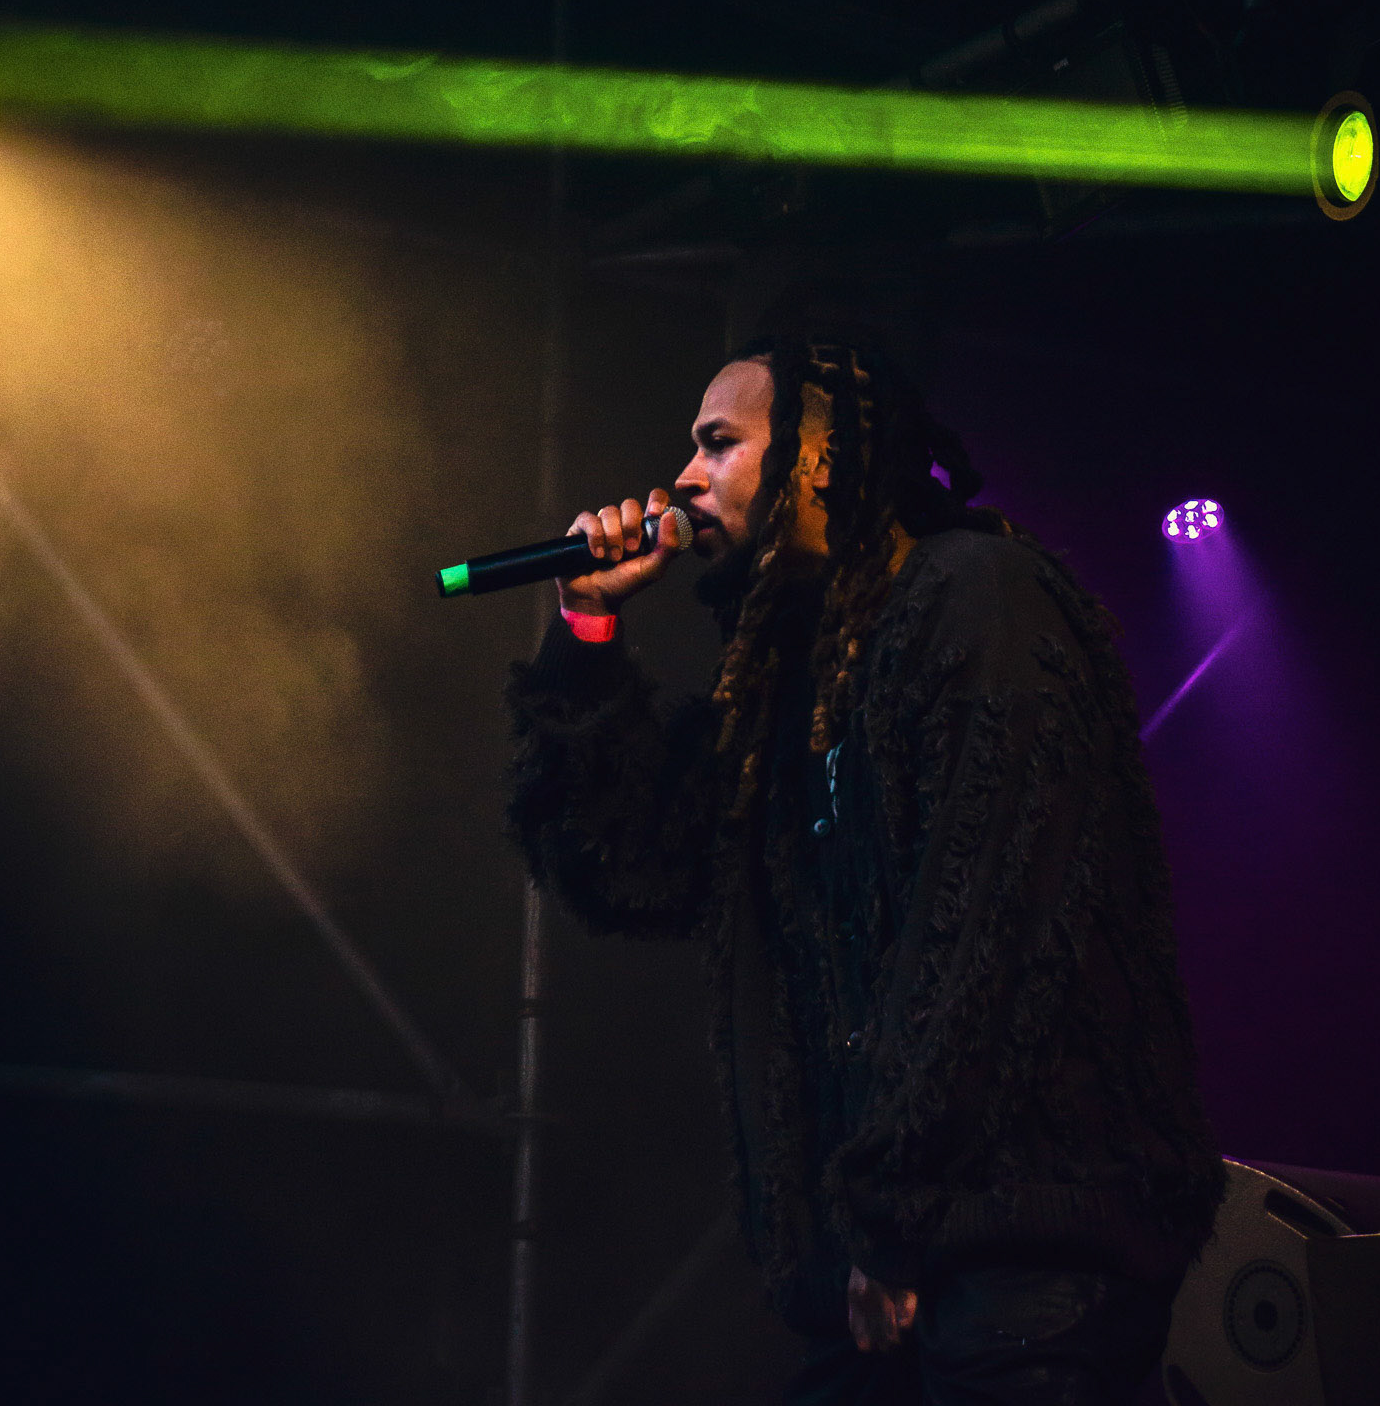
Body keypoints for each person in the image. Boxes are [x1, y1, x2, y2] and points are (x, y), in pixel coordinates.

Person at [505, 334, 1223, 1402]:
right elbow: (626, 865)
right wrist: (588, 621)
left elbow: (991, 926)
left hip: (1026, 1258)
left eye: (717, 442)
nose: (684, 477)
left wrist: (897, 1209)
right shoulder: (786, 685)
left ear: (821, 456)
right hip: (880, 1268)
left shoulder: (979, 596)